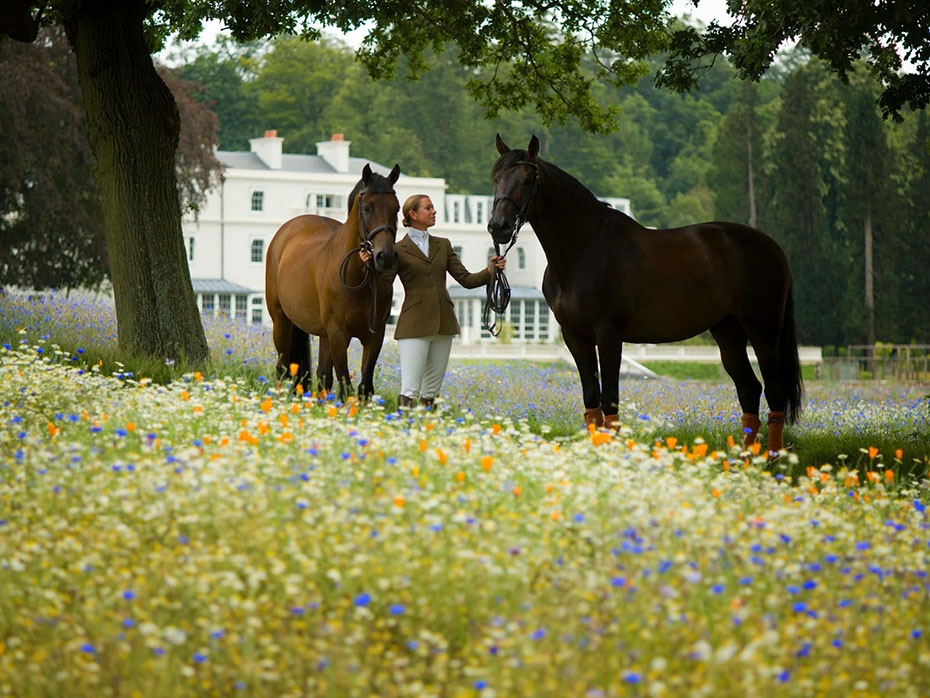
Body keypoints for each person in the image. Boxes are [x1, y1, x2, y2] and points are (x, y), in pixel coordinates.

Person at [361, 194, 505, 409]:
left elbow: (466, 280)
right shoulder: (398, 250)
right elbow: (384, 285)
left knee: (431, 391)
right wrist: (369, 266)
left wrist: (489, 271)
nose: (434, 211)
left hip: (444, 324)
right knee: (409, 389)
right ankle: (406, 432)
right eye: (428, 208)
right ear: (413, 214)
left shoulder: (443, 245)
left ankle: (428, 431)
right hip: (414, 324)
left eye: (433, 207)